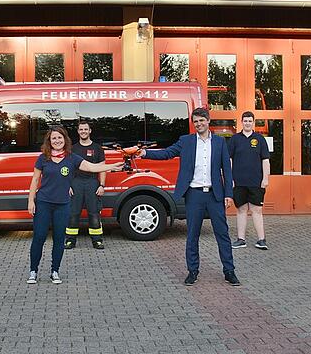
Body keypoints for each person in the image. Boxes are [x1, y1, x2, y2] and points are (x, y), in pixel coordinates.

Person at [140, 107, 240, 286]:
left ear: (208, 121)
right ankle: (192, 271)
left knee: (222, 234)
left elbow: (227, 169)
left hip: (214, 195)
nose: (199, 124)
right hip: (194, 195)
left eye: (202, 120)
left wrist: (228, 194)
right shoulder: (186, 141)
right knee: (192, 235)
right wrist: (145, 153)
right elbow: (167, 153)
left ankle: (229, 271)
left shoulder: (219, 142)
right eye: (196, 121)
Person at [26, 126, 123, 284]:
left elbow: (92, 167)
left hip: (62, 205)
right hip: (43, 203)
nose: (57, 141)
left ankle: (55, 271)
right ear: (49, 141)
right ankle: (33, 271)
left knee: (59, 239)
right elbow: (35, 180)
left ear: (65, 139)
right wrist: (31, 201)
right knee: (39, 238)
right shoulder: (43, 158)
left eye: (60, 138)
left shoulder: (72, 158)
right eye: (54, 138)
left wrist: (111, 166)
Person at [228, 111, 270, 250]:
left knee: (257, 210)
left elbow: (265, 161)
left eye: (250, 121)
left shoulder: (260, 139)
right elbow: (229, 160)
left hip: (256, 182)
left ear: (253, 122)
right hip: (239, 182)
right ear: (242, 122)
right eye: (245, 121)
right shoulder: (234, 139)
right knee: (241, 210)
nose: (247, 123)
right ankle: (241, 240)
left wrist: (265, 179)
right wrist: (230, 179)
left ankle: (261, 240)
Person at [65, 121, 107, 250]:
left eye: (85, 129)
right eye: (81, 129)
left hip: (92, 182)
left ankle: (97, 240)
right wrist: (68, 185)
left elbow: (102, 168)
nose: (83, 131)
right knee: (73, 213)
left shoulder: (97, 148)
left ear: (90, 131)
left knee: (94, 213)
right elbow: (67, 168)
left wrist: (102, 185)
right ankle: (70, 240)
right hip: (75, 182)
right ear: (78, 131)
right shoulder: (72, 149)